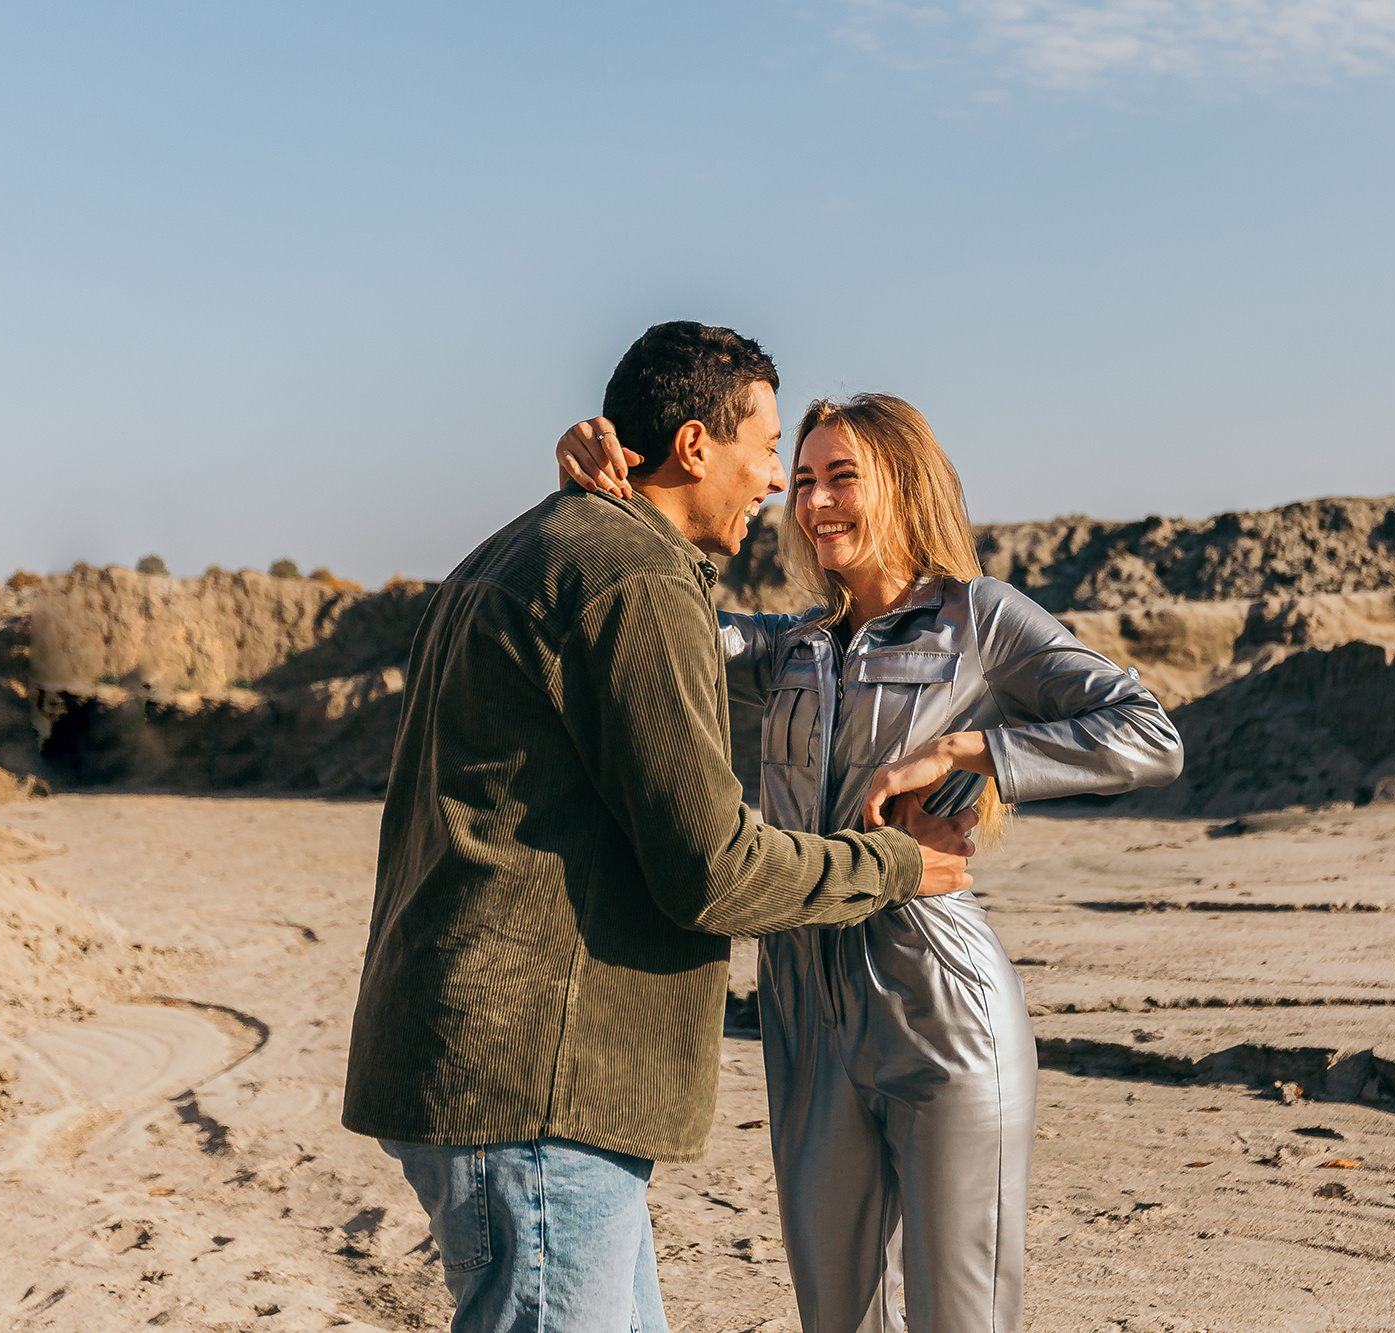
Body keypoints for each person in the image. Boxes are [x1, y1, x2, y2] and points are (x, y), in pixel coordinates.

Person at [345, 323, 980, 1333]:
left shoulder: (515, 550)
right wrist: (901, 862)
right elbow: (714, 870)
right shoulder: (630, 577)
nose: (776, 481)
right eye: (767, 449)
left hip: (507, 1079)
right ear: (693, 447)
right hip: (534, 1093)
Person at [557, 392, 1182, 1332]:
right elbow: (656, 616)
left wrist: (969, 754)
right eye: (802, 480)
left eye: (841, 476)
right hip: (805, 1022)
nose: (814, 502)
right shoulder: (788, 646)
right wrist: (610, 497)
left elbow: (1148, 735)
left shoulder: (980, 622)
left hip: (946, 1019)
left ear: (902, 481)